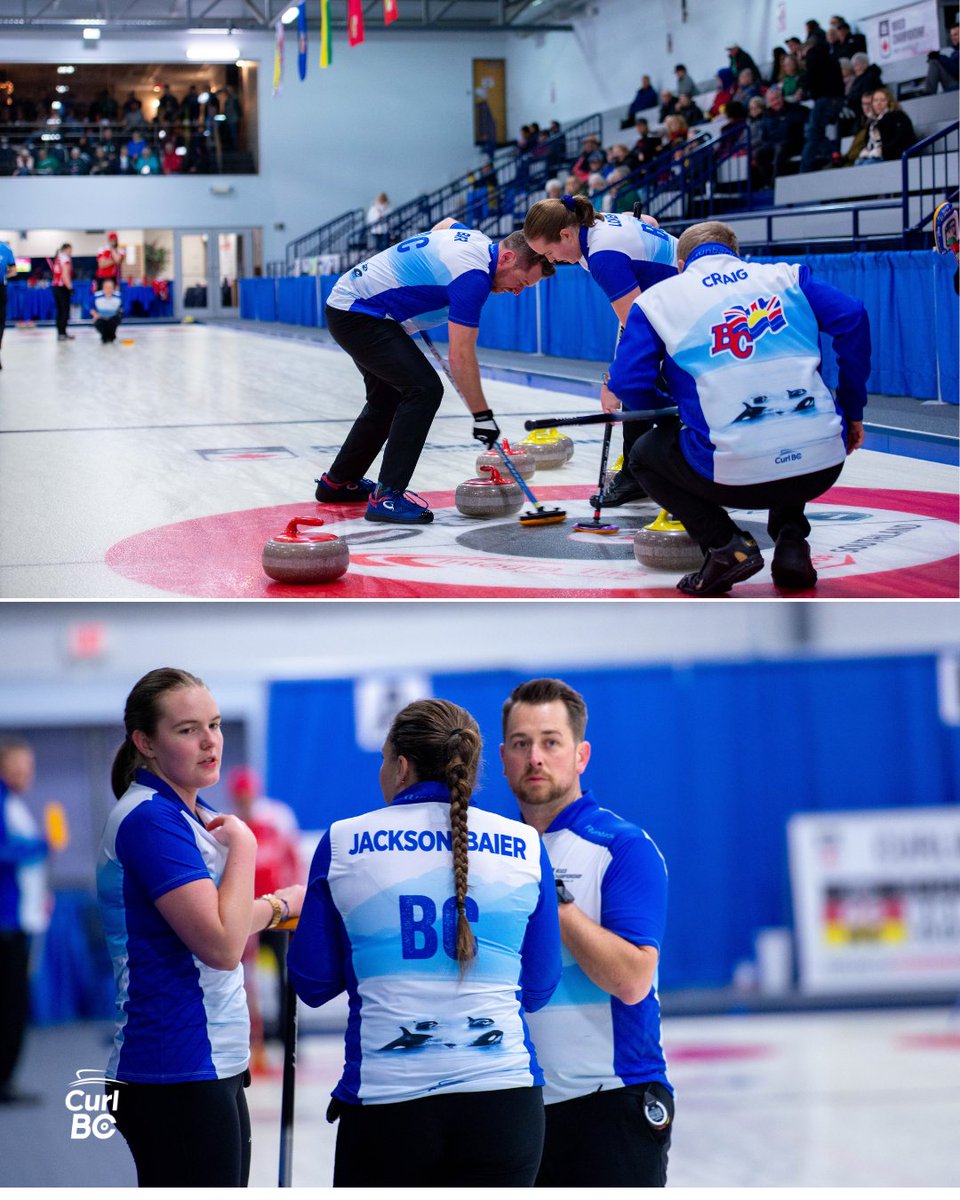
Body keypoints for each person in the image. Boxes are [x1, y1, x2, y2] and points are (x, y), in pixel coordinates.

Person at [287, 697, 562, 1187]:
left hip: (388, 1108)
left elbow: (311, 983)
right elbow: (538, 988)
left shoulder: (344, 841)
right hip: (505, 1108)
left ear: (402, 767)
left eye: (383, 760)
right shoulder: (525, 844)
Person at [96, 668, 304, 1187]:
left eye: (213, 724)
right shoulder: (150, 820)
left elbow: (223, 925)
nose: (210, 741)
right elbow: (221, 943)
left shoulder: (192, 812)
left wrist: (275, 907)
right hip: (173, 1064)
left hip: (210, 1058)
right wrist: (249, 852)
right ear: (145, 742)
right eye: (188, 729)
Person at [602, 220, 870, 596]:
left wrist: (674, 416)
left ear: (681, 264)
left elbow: (630, 384)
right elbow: (854, 317)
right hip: (822, 464)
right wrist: (851, 407)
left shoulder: (658, 299)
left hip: (730, 479)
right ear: (736, 254)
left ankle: (725, 544)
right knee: (785, 420)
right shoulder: (788, 277)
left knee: (645, 456)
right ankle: (791, 544)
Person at [500, 678, 672, 1187]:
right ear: (504, 756)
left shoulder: (622, 847)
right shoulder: (493, 853)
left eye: (551, 742)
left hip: (609, 1103)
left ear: (581, 755)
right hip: (515, 1108)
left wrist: (553, 899)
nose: (536, 757)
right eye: (521, 743)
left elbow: (633, 979)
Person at [314, 224, 553, 525]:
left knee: (387, 400)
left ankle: (338, 483)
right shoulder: (473, 278)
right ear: (506, 258)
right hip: (360, 313)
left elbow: (445, 225)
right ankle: (387, 497)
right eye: (522, 282)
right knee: (424, 390)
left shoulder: (478, 241)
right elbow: (461, 356)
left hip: (355, 307)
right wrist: (482, 416)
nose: (517, 292)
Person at [522, 194, 678, 508]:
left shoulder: (603, 255)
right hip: (675, 303)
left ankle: (651, 471)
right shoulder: (594, 226)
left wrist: (611, 382)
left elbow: (638, 328)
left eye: (549, 252)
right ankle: (645, 469)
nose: (550, 261)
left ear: (566, 234)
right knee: (640, 383)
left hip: (688, 310)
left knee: (634, 382)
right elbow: (649, 224)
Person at [227, 765, 304, 1070]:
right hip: (248, 915)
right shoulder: (232, 826)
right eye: (239, 797)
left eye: (248, 795)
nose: (244, 800)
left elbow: (293, 859)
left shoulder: (277, 819)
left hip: (280, 914)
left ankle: (292, 1041)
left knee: (288, 976)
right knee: (247, 981)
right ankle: (252, 1044)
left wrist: (297, 903)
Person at [0, 737, 50, 1106]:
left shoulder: (14, 804)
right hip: (6, 924)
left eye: (27, 768)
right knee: (10, 1005)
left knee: (14, 1005)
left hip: (18, 920)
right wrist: (41, 846)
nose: (23, 774)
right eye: (16, 767)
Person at [799, 33, 846, 171]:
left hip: (824, 99)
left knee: (813, 132)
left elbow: (812, 76)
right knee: (816, 132)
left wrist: (805, 89)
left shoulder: (813, 55)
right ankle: (833, 155)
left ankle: (805, 168)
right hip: (837, 99)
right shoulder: (831, 56)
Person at [925, 22, 959, 94]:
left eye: (956, 35)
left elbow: (957, 70)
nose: (953, 38)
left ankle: (928, 94)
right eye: (951, 36)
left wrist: (938, 57)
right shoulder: (954, 53)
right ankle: (928, 93)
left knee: (935, 61)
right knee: (934, 60)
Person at [51, 242, 74, 341]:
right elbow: (65, 275)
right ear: (66, 249)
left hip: (55, 287)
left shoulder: (58, 258)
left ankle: (61, 333)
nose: (71, 252)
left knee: (60, 311)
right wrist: (70, 287)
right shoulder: (65, 259)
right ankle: (62, 333)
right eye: (70, 250)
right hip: (62, 287)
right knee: (64, 311)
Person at [90, 277, 123, 344]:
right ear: (103, 287)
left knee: (115, 321)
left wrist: (119, 313)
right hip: (101, 318)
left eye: (110, 287)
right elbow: (91, 308)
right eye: (106, 287)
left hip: (113, 317)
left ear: (113, 287)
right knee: (98, 323)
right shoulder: (96, 296)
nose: (108, 289)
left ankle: (112, 335)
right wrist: (95, 314)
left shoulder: (119, 296)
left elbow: (123, 309)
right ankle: (104, 335)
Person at [0, 237, 16, 370]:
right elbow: (13, 271)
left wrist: (5, 275)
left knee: (0, 323)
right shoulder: (6, 249)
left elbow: (13, 270)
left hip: (1, 288)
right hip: (1, 287)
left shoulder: (5, 249)